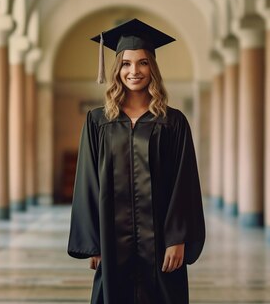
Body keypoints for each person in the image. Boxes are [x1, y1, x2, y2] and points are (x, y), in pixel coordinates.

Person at [67, 18, 206, 304]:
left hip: (161, 244)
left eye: (143, 63)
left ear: (152, 68)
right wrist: (93, 242)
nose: (134, 71)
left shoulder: (173, 121)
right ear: (117, 69)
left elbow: (185, 183)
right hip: (111, 240)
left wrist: (177, 237)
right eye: (127, 64)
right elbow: (87, 183)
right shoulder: (98, 121)